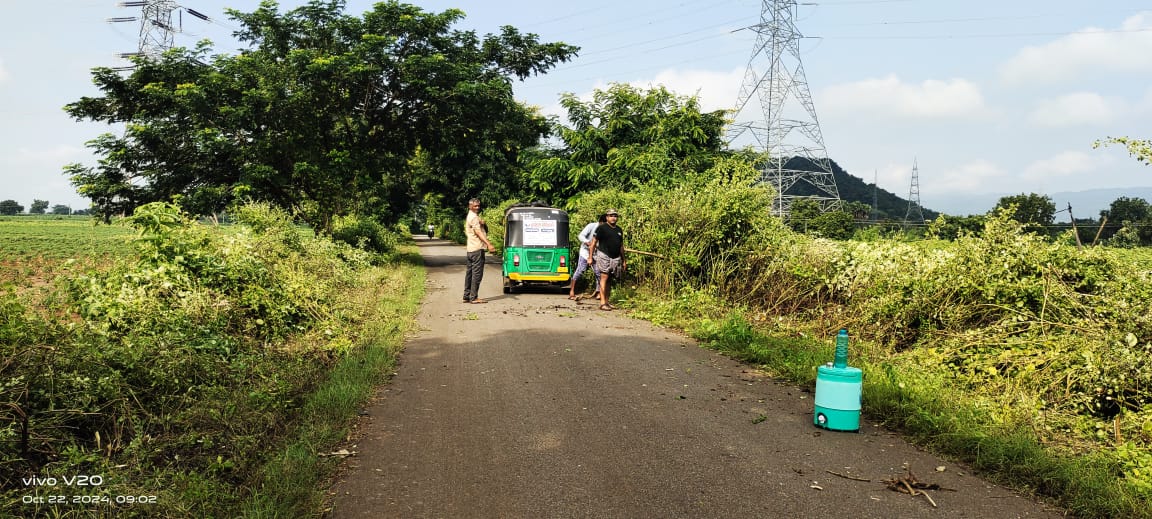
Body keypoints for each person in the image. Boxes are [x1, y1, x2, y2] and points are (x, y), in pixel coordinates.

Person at [587, 208, 625, 311]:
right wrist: (590, 257)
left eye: (615, 216)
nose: (613, 217)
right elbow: (593, 243)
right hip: (604, 255)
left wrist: (624, 260)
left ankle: (607, 301)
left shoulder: (619, 229)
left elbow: (621, 246)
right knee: (604, 277)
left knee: (610, 279)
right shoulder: (602, 228)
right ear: (607, 217)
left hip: (616, 257)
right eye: (611, 215)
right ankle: (602, 303)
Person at [462, 198, 496, 304]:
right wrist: (489, 244)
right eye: (475, 206)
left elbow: (481, 229)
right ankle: (474, 297)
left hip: (470, 249)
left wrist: (482, 223)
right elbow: (478, 233)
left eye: (478, 206)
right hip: (477, 249)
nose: (477, 207)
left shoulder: (471, 216)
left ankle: (466, 296)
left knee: (470, 273)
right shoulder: (474, 217)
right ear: (470, 206)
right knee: (477, 274)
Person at [567, 214, 606, 300]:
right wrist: (588, 242)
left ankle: (598, 292)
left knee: (598, 272)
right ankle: (572, 291)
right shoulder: (591, 226)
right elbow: (580, 236)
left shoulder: (605, 230)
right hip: (585, 252)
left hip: (597, 253)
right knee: (580, 270)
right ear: (601, 222)